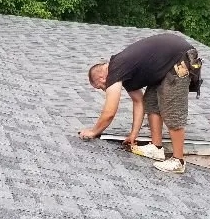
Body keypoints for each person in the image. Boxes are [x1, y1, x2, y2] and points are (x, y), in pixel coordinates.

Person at [79, 33, 196, 174]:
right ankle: (156, 148)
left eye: (100, 86)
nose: (104, 89)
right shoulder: (125, 72)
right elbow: (138, 101)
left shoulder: (115, 70)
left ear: (102, 78)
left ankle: (178, 161)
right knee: (151, 102)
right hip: (166, 66)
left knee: (172, 110)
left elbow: (110, 111)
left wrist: (93, 132)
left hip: (180, 59)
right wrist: (133, 134)